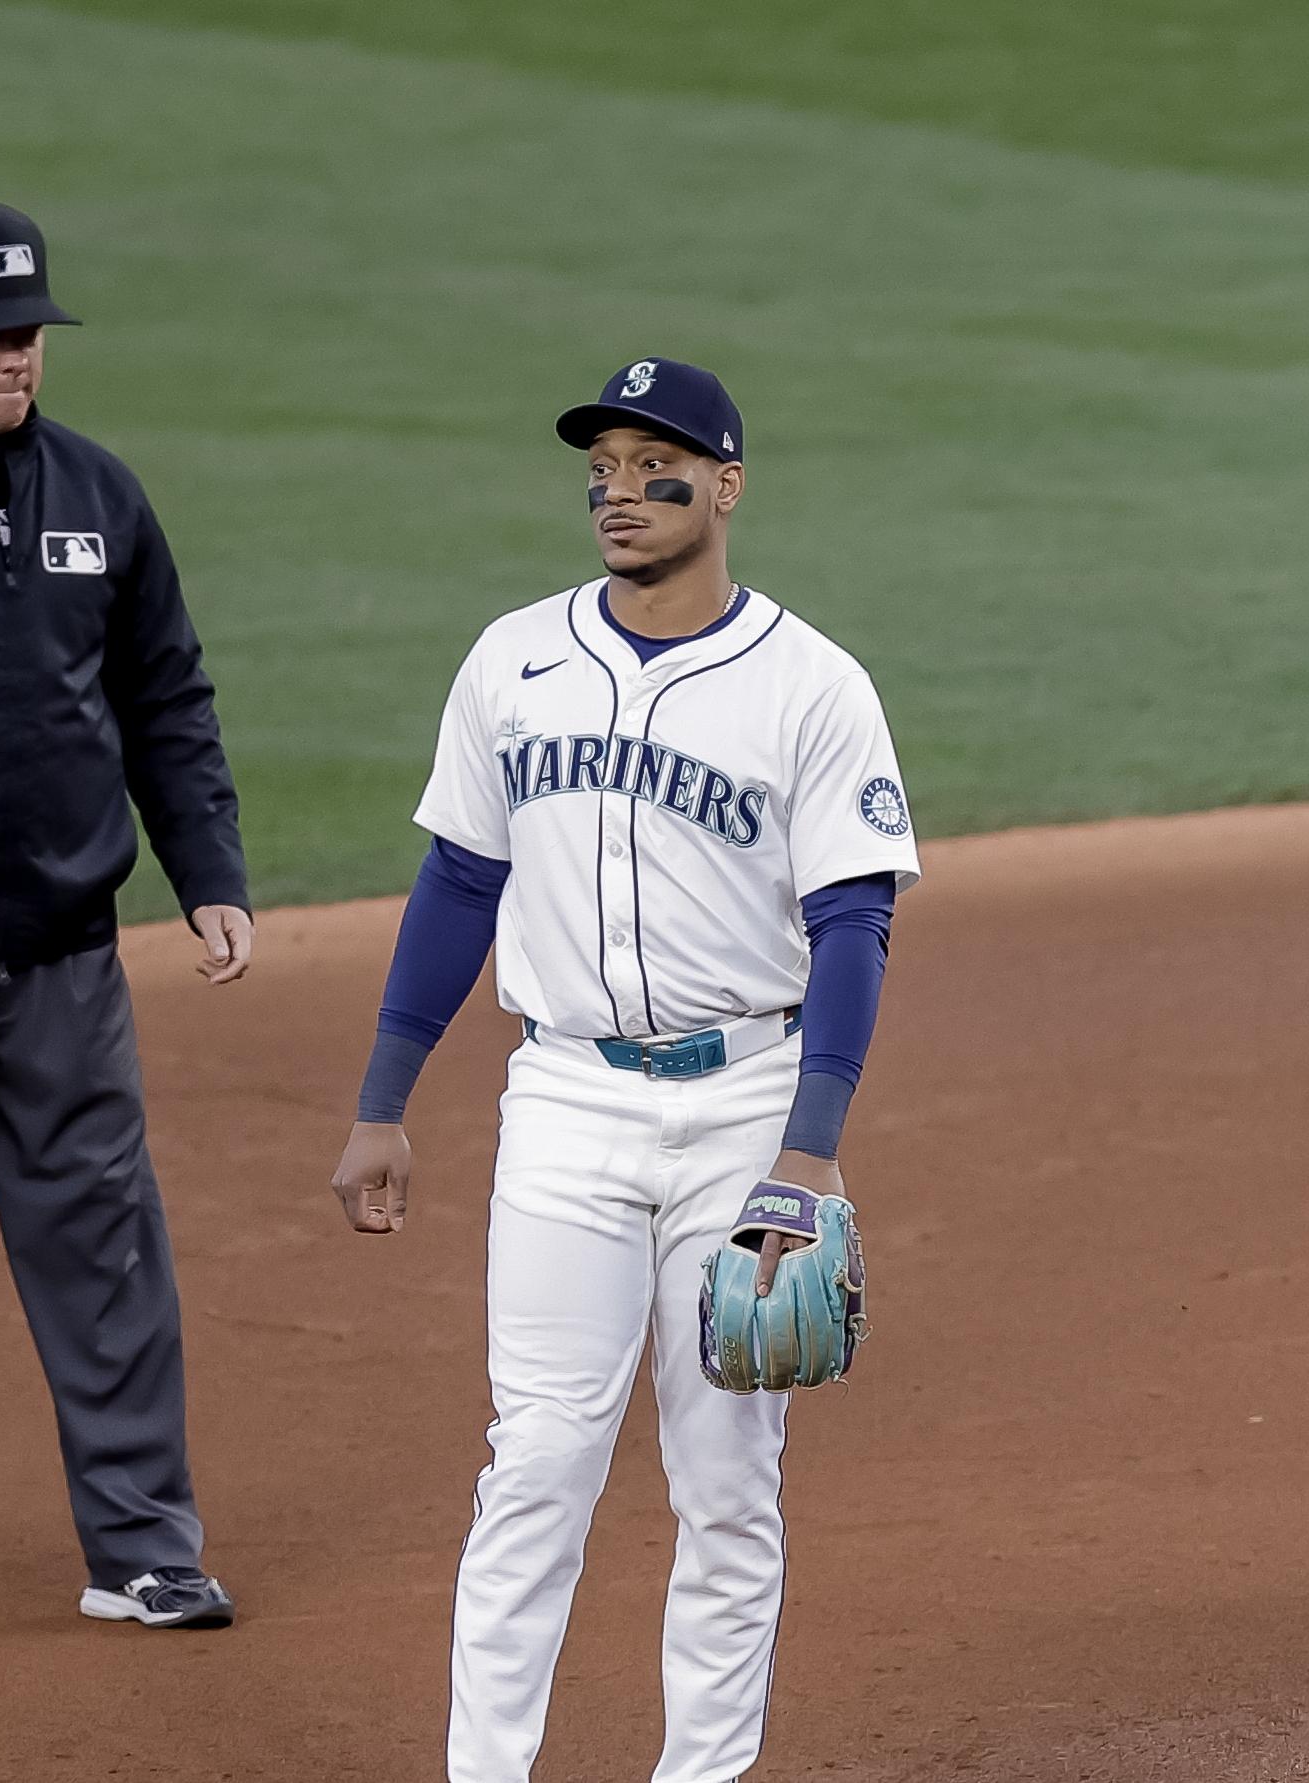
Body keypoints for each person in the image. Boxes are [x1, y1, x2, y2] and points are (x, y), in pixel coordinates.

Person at [324, 357, 918, 1781]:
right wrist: (383, 1102)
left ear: (725, 487)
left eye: (655, 466)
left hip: (742, 1113)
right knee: (534, 1463)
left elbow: (856, 922)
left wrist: (809, 1147)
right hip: (568, 1104)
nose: (618, 491)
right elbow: (459, 882)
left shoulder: (811, 685)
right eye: (599, 467)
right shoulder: (513, 660)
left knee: (725, 1484)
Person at [0, 195, 252, 1632]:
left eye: (26, 334)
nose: (14, 358)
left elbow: (164, 699)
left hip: (65, 964)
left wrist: (207, 873)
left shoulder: (97, 494)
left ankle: (143, 1546)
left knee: (107, 1255)